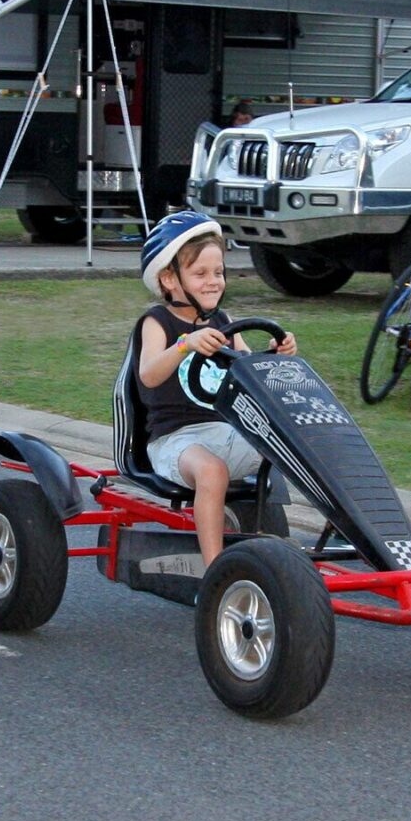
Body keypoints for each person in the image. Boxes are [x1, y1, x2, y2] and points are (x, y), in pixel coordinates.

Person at [135, 209, 297, 566]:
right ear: (169, 279)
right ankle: (215, 571)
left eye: (219, 272)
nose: (214, 281)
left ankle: (340, 533)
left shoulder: (224, 323)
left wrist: (275, 354)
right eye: (201, 273)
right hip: (176, 442)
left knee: (300, 445)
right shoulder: (156, 322)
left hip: (225, 434)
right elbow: (147, 374)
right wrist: (184, 344)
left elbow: (250, 373)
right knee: (212, 472)